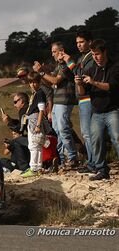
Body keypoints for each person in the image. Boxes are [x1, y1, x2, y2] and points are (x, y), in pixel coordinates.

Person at [75, 39, 119, 181]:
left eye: (98, 54)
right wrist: (79, 84)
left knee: (117, 138)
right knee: (96, 140)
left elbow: (111, 86)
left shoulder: (115, 67)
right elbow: (82, 93)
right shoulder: (90, 69)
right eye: (93, 55)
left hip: (113, 110)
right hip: (97, 112)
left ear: (104, 52)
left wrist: (93, 82)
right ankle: (101, 170)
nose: (95, 57)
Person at [33, 42, 78, 169]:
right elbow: (51, 81)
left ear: (61, 51)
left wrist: (41, 72)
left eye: (54, 51)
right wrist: (42, 72)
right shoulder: (59, 65)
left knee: (63, 129)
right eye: (52, 52)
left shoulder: (66, 65)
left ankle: (72, 157)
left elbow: (55, 80)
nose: (52, 54)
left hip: (65, 100)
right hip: (58, 101)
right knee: (58, 130)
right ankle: (63, 160)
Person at [62, 30, 96, 174]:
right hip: (82, 98)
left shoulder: (91, 57)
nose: (79, 45)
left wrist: (70, 62)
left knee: (89, 133)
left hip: (88, 98)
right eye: (77, 43)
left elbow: (82, 75)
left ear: (89, 42)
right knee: (86, 133)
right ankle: (92, 162)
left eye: (81, 42)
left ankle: (94, 163)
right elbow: (76, 77)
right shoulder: (83, 57)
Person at [21, 72, 47, 178]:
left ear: (39, 82)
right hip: (33, 119)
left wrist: (38, 124)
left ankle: (34, 168)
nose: (33, 84)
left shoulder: (39, 93)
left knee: (34, 145)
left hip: (35, 120)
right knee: (37, 145)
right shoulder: (35, 93)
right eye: (31, 82)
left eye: (35, 82)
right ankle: (38, 167)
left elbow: (41, 110)